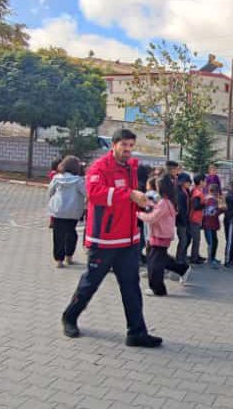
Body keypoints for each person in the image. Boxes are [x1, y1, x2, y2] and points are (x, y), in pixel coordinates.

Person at [60, 129, 161, 347]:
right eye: (124, 145)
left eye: (131, 145)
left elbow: (130, 198)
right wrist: (129, 195)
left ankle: (136, 332)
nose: (128, 149)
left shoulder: (131, 167)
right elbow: (95, 193)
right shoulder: (100, 167)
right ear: (114, 145)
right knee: (90, 284)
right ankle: (69, 316)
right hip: (104, 240)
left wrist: (142, 202)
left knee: (131, 286)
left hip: (128, 240)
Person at [138, 174, 191, 296]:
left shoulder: (163, 202)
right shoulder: (167, 201)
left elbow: (152, 217)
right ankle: (182, 269)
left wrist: (138, 214)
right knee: (159, 259)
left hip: (160, 235)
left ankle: (158, 289)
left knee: (155, 263)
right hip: (161, 234)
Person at [48, 156, 86, 268]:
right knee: (71, 233)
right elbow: (86, 193)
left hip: (58, 211)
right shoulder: (78, 181)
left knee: (58, 235)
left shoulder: (56, 178)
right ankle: (69, 257)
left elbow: (50, 192)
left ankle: (59, 260)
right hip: (73, 212)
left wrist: (51, 202)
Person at [187, 174, 207, 264]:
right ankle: (194, 258)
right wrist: (205, 204)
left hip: (196, 218)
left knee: (196, 239)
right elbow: (195, 206)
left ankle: (195, 255)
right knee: (196, 240)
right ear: (201, 182)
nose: (206, 183)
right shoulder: (197, 192)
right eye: (205, 181)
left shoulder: (196, 190)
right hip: (194, 219)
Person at [203, 183, 223, 268]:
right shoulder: (211, 200)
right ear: (216, 192)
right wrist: (221, 210)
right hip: (210, 224)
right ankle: (210, 259)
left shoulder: (207, 198)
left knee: (214, 241)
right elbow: (211, 213)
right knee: (211, 242)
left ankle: (212, 258)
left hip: (209, 224)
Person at [175, 173, 193, 264]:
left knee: (188, 238)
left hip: (186, 219)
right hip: (181, 220)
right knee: (183, 240)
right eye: (187, 182)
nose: (189, 183)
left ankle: (183, 256)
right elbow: (180, 209)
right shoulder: (180, 193)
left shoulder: (186, 191)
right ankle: (179, 258)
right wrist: (183, 221)